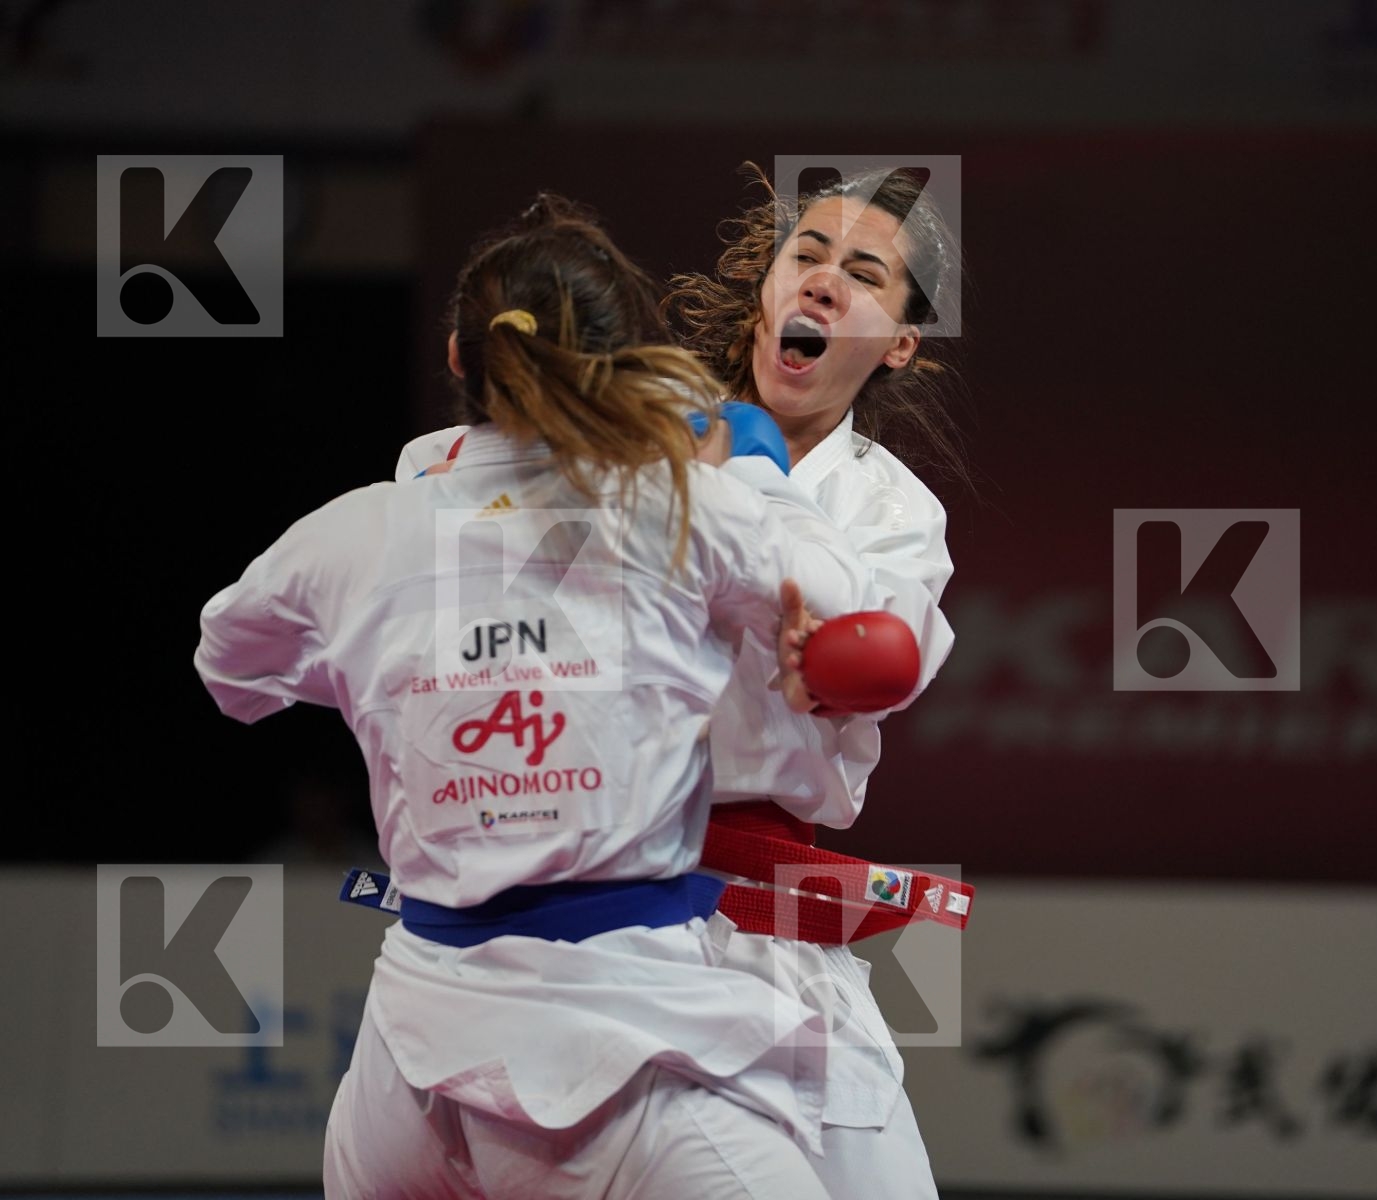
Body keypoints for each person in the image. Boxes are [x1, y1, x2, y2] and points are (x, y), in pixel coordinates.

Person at [196, 194, 879, 1198]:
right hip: (613, 1044)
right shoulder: (681, 506)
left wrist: (396, 667)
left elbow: (229, 667)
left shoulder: (356, 531)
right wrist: (760, 470)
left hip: (405, 1073)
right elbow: (848, 609)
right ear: (623, 363)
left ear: (459, 357)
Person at [396, 167, 968, 1197]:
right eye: (806, 255)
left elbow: (891, 665)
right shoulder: (637, 428)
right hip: (585, 909)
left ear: (899, 342)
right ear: (767, 289)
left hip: (763, 920)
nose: (824, 281)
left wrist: (833, 663)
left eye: (865, 274)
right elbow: (440, 480)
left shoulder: (892, 510)